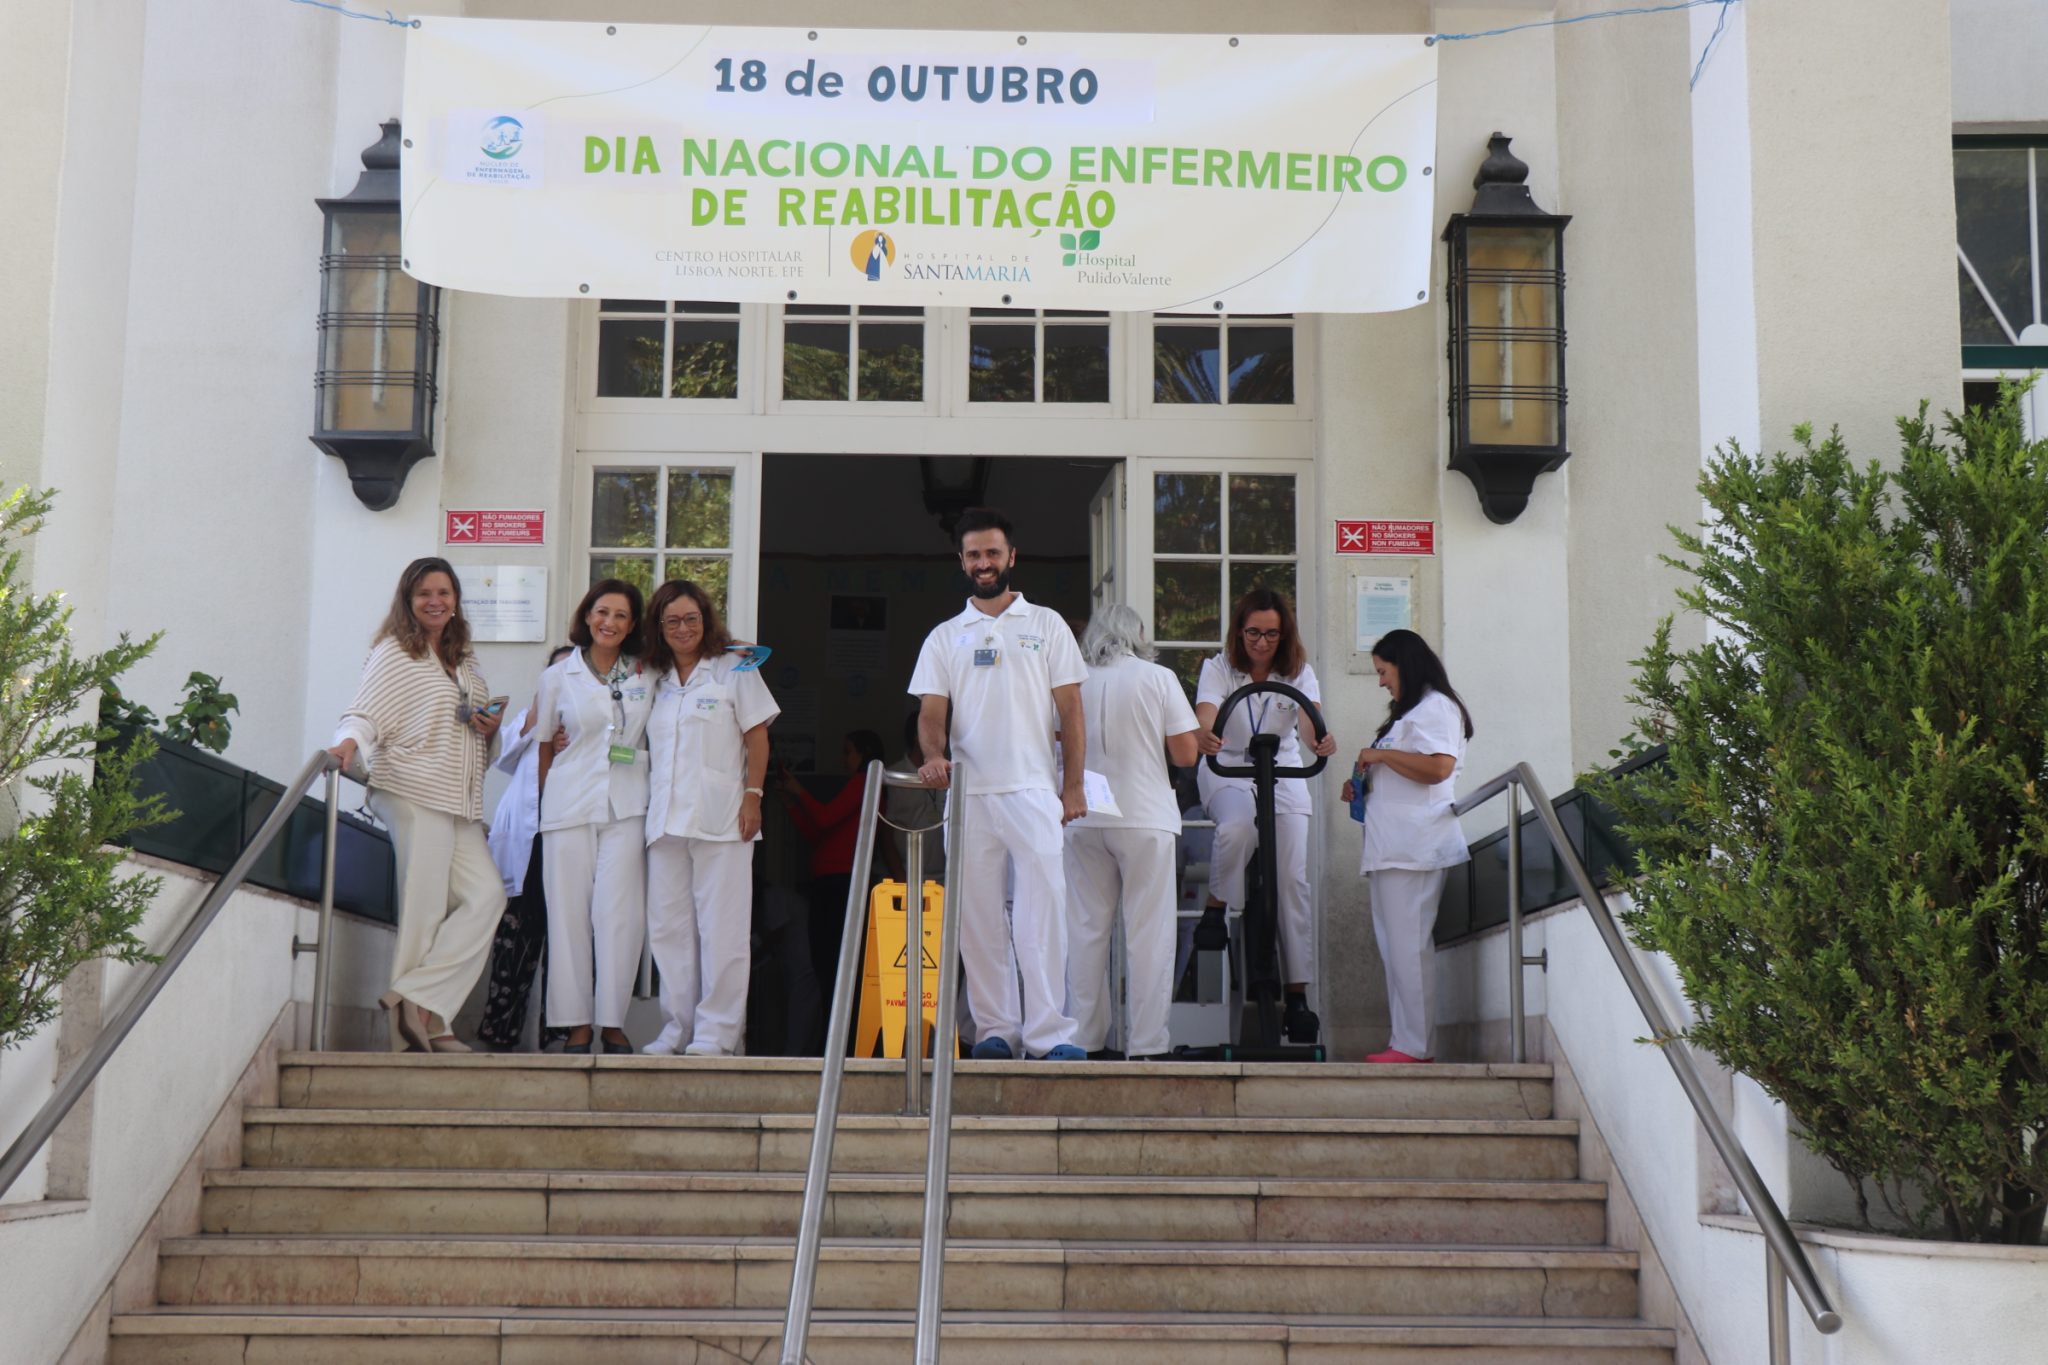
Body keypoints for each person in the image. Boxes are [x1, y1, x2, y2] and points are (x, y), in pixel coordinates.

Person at [909, 506, 1089, 1062]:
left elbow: (1071, 711)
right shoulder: (945, 636)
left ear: (1012, 556)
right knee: (977, 919)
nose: (983, 563)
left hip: (1034, 788)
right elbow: (931, 712)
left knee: (1044, 914)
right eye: (974, 555)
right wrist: (933, 756)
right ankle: (997, 1031)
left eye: (992, 552)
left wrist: (1073, 787)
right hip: (968, 796)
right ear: (961, 561)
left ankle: (1050, 1034)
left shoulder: (1047, 624)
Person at [329, 557, 506, 1054]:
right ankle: (419, 1032)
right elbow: (364, 711)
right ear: (408, 600)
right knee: (423, 908)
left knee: (488, 897)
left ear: (456, 601)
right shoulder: (394, 652)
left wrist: (489, 730)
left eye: (444, 592)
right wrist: (347, 742)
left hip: (457, 800)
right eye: (424, 593)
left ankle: (421, 1003)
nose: (435, 601)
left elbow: (473, 735)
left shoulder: (464, 661)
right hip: (410, 788)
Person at [1193, 588, 1338, 1043]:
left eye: (1271, 634)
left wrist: (1320, 740)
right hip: (1230, 768)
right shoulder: (1219, 667)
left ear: (1284, 635)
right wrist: (1205, 734)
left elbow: (1310, 722)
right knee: (1238, 827)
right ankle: (1217, 907)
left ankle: (1296, 995)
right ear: (1240, 631)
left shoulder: (1299, 672)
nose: (1261, 642)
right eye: (1253, 632)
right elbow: (1206, 713)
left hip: (1283, 769)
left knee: (1292, 879)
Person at [641, 579, 779, 1056]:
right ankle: (675, 1028)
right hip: (665, 821)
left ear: (706, 620)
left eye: (691, 619)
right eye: (672, 621)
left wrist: (753, 796)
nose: (683, 629)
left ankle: (717, 1033)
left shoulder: (733, 667)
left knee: (722, 930)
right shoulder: (652, 677)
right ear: (659, 626)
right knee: (669, 930)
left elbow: (757, 736)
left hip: (723, 818)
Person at [1062, 604, 1200, 1060]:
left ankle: (1086, 1040)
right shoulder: (1158, 678)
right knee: (1149, 932)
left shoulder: (1072, 680)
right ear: (1138, 634)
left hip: (1084, 815)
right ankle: (1147, 1044)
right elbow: (1185, 754)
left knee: (1085, 930)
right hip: (1144, 814)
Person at [534, 582, 653, 1055]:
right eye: (602, 612)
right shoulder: (558, 676)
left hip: (627, 806)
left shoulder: (648, 673)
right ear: (587, 616)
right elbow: (545, 743)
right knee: (568, 917)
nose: (610, 622)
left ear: (633, 624)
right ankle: (577, 1024)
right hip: (568, 806)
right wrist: (545, 801)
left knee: (620, 916)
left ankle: (612, 1022)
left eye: (621, 615)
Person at [1345, 628, 1474, 1064]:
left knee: (1409, 949)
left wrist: (1379, 757)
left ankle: (1415, 1046)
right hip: (1392, 848)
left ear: (1406, 665)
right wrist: (1364, 784)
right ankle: (1403, 1042)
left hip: (1415, 847)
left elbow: (1438, 768)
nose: (1381, 681)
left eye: (1384, 671)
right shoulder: (1411, 714)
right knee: (1395, 950)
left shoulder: (1437, 707)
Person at [478, 643, 573, 1050]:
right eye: (555, 675)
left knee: (567, 939)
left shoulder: (594, 720)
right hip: (526, 840)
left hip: (569, 838)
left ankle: (560, 1037)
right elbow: (502, 757)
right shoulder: (530, 720)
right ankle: (500, 1033)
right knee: (515, 936)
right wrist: (539, 711)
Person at [778, 729, 886, 1011]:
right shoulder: (860, 784)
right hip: (831, 882)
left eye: (848, 752)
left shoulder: (865, 782)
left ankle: (837, 1030)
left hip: (841, 883)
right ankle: (832, 1028)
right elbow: (819, 835)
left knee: (832, 964)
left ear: (864, 753)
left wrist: (799, 792)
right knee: (826, 964)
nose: (842, 759)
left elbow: (824, 819)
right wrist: (792, 804)